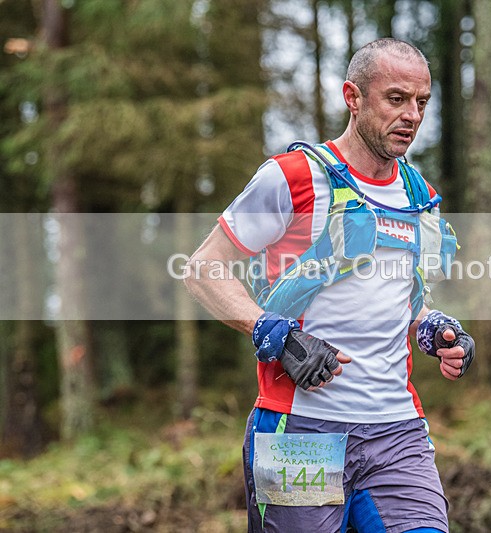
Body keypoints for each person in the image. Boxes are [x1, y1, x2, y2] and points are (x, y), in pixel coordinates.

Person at [184, 38, 475, 533]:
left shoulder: (419, 195)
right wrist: (275, 333)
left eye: (422, 102)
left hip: (396, 433)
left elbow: (407, 303)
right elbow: (203, 268)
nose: (412, 115)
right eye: (396, 98)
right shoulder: (292, 177)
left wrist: (436, 330)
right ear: (353, 97)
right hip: (301, 434)